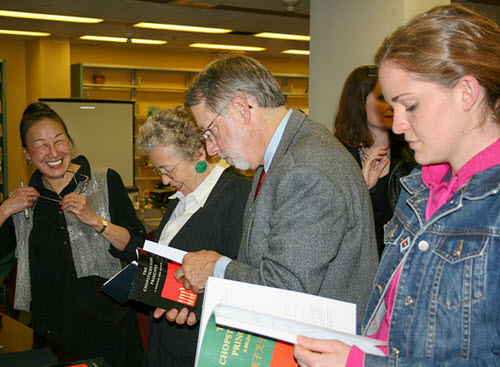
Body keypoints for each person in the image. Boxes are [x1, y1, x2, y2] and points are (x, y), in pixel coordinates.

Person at [294, 4, 500, 366]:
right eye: (392, 108)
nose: (398, 125)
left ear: (467, 93)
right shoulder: (417, 191)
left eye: (410, 105)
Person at [164, 53, 379, 324]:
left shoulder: (306, 169)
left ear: (241, 110)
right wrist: (206, 296)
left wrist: (215, 268)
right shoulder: (281, 158)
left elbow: (285, 292)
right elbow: (261, 266)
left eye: (210, 132)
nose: (211, 149)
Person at [0, 102, 145, 366]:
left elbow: (136, 246)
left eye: (59, 140)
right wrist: (5, 210)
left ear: (70, 141)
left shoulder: (103, 180)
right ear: (27, 154)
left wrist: (95, 220)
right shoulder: (23, 201)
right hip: (53, 337)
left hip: (110, 331)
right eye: (41, 144)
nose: (53, 152)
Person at [135, 106, 252, 367]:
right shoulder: (184, 194)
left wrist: (197, 304)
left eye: (168, 170)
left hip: (201, 349)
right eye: (158, 172)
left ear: (199, 154)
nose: (164, 181)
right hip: (167, 341)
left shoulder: (238, 196)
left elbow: (245, 279)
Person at [334, 65, 417, 257]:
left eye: (394, 98)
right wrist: (361, 188)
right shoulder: (337, 156)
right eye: (382, 98)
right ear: (358, 103)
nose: (391, 106)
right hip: (358, 267)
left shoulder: (413, 154)